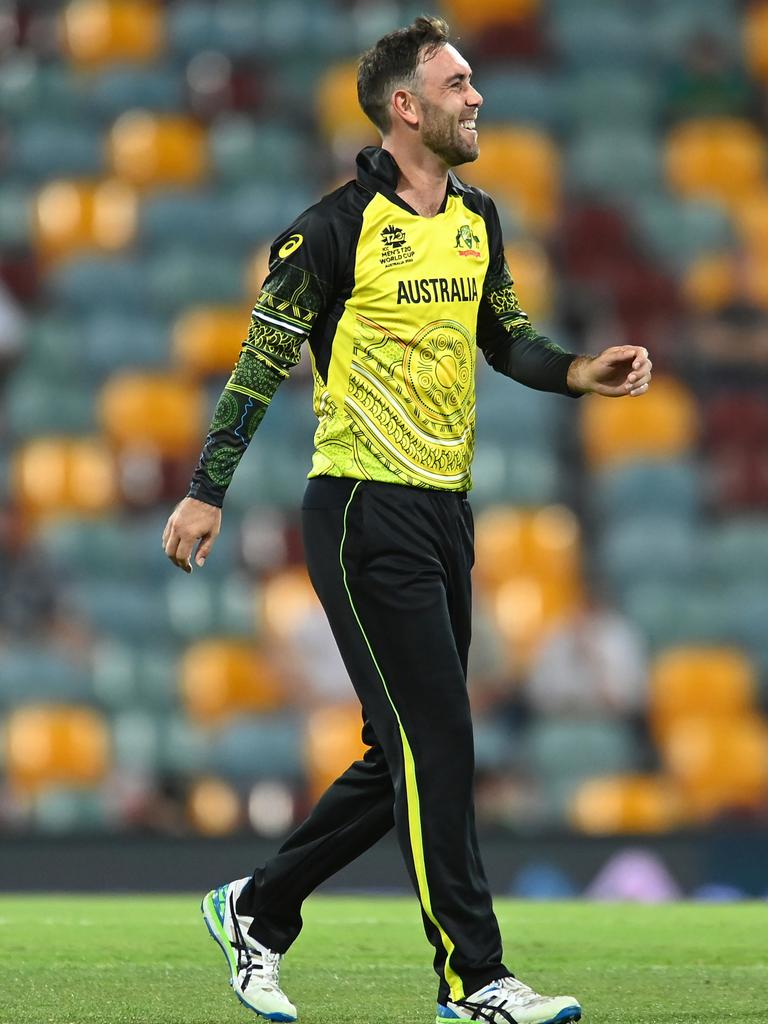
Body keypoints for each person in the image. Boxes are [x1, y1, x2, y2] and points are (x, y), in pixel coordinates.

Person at [162, 17, 652, 1024]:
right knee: (440, 744)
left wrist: (577, 372)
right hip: (359, 511)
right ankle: (473, 981)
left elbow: (504, 336)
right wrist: (206, 488)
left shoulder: (478, 218)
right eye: (458, 82)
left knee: (405, 754)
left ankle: (257, 905)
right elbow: (260, 365)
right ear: (406, 107)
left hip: (445, 514)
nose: (477, 97)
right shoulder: (327, 231)